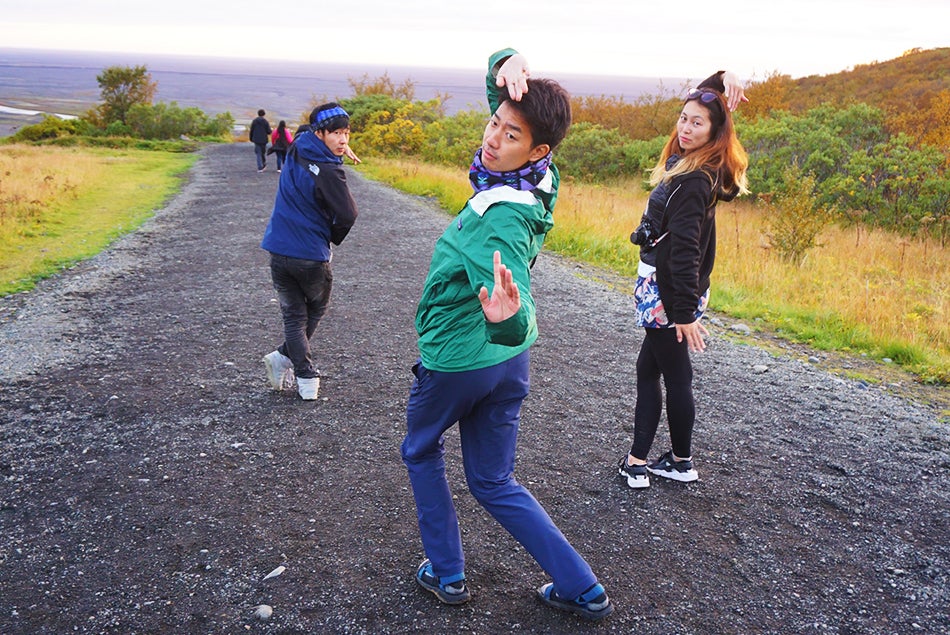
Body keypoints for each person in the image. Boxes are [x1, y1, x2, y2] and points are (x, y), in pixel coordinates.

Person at [400, 48, 612, 622]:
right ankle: (581, 587)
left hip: (457, 362)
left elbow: (515, 295)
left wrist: (507, 317)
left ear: (537, 149)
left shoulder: (496, 216)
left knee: (420, 449)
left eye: (509, 133)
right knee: (493, 480)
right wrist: (507, 60)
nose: (493, 137)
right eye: (494, 122)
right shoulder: (540, 179)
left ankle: (446, 572)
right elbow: (513, 109)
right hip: (508, 363)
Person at [617, 71, 749, 489]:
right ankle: (677, 461)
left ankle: (641, 463)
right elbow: (706, 97)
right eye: (684, 118)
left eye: (697, 123)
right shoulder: (696, 165)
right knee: (651, 369)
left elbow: (686, 250)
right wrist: (724, 79)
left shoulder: (693, 180)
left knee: (674, 376)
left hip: (667, 291)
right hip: (673, 290)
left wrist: (684, 313)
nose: (686, 128)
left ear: (714, 132)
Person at [260, 103, 359, 400]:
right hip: (309, 256)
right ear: (320, 134)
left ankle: (286, 362)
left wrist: (338, 150)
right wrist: (330, 237)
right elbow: (348, 215)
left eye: (346, 134)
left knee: (293, 316)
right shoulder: (329, 171)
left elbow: (303, 132)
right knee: (313, 310)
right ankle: (303, 373)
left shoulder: (299, 146)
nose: (342, 140)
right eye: (336, 133)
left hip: (277, 248)